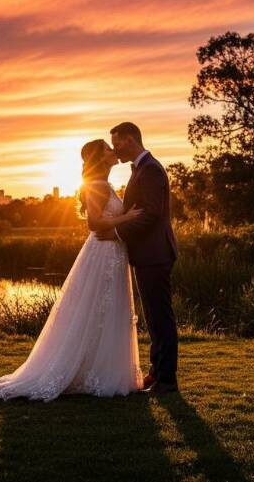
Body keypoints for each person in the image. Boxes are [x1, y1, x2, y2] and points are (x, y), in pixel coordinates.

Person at [0, 139, 143, 401]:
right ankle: (85, 371)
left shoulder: (104, 184)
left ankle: (100, 370)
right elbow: (94, 223)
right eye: (108, 149)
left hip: (112, 253)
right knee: (97, 307)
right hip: (102, 256)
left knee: (106, 310)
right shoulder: (97, 185)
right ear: (100, 158)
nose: (114, 151)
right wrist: (126, 218)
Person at [98, 122, 179, 394]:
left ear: (131, 140)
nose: (115, 149)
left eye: (118, 143)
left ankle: (167, 379)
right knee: (154, 317)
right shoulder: (141, 169)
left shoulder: (151, 170)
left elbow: (152, 213)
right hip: (148, 254)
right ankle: (157, 373)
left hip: (155, 253)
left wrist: (117, 233)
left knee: (161, 317)